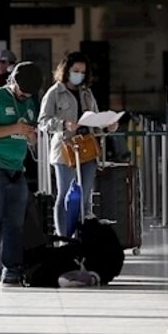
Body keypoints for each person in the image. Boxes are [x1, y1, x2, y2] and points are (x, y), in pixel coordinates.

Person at [0, 62, 43, 289]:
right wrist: (14, 128)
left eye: (29, 94)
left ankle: (11, 272)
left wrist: (31, 137)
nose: (25, 97)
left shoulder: (30, 102)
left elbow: (30, 136)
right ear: (12, 81)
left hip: (17, 169)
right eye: (22, 92)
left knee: (15, 224)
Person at [38, 52, 118, 237]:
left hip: (87, 147)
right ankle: (64, 237)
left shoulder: (86, 93)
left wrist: (107, 126)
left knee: (85, 195)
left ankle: (82, 237)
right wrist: (63, 124)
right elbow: (43, 121)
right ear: (66, 71)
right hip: (65, 148)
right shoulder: (54, 92)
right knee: (65, 194)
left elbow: (95, 120)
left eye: (82, 72)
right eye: (76, 71)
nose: (79, 75)